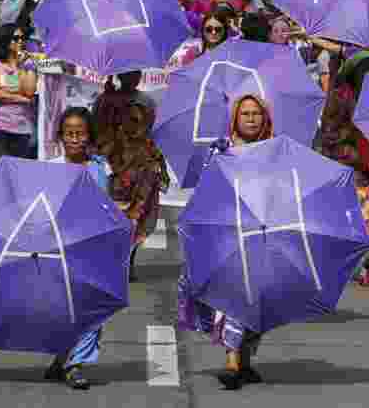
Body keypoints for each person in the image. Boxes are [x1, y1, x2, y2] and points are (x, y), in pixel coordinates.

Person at [178, 94, 274, 391]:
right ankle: (232, 360)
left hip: (264, 234)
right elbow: (206, 192)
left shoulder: (276, 151)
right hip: (228, 234)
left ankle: (244, 359)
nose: (250, 118)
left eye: (256, 113)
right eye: (245, 113)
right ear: (235, 118)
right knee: (233, 297)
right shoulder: (220, 150)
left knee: (258, 300)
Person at [42, 106, 112, 390]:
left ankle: (75, 365)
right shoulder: (51, 167)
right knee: (62, 310)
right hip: (59, 250)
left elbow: (107, 206)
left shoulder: (100, 167)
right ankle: (61, 357)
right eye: (69, 133)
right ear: (60, 136)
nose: (74, 138)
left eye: (80, 133)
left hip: (93, 249)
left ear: (89, 136)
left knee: (92, 309)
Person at [106, 98, 169, 282]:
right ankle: (118, 264)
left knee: (139, 229)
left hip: (144, 195)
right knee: (119, 229)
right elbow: (105, 160)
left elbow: (160, 167)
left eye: (138, 121)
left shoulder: (150, 145)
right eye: (129, 119)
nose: (133, 124)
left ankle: (130, 262)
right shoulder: (115, 139)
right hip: (119, 193)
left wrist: (155, 167)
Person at [0, 24, 37, 163]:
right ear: (4, 39)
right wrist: (19, 98)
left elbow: (29, 91)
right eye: (16, 38)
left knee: (19, 176)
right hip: (0, 127)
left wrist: (26, 66)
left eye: (22, 38)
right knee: (1, 174)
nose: (20, 41)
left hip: (23, 128)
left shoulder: (24, 63)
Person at [94, 70, 156, 158]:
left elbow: (150, 131)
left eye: (137, 73)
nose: (135, 77)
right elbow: (96, 127)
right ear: (120, 76)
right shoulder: (103, 99)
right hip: (111, 156)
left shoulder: (146, 101)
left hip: (135, 156)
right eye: (130, 74)